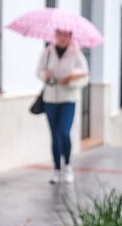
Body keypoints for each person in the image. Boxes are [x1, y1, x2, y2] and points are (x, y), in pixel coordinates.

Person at [37, 29, 89, 184]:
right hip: (50, 99)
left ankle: (68, 166)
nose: (62, 38)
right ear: (56, 35)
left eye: (66, 35)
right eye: (60, 35)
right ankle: (56, 170)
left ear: (70, 37)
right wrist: (45, 75)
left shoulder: (76, 53)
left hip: (68, 99)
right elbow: (38, 71)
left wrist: (70, 81)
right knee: (54, 135)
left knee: (64, 132)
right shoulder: (48, 51)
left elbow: (85, 76)